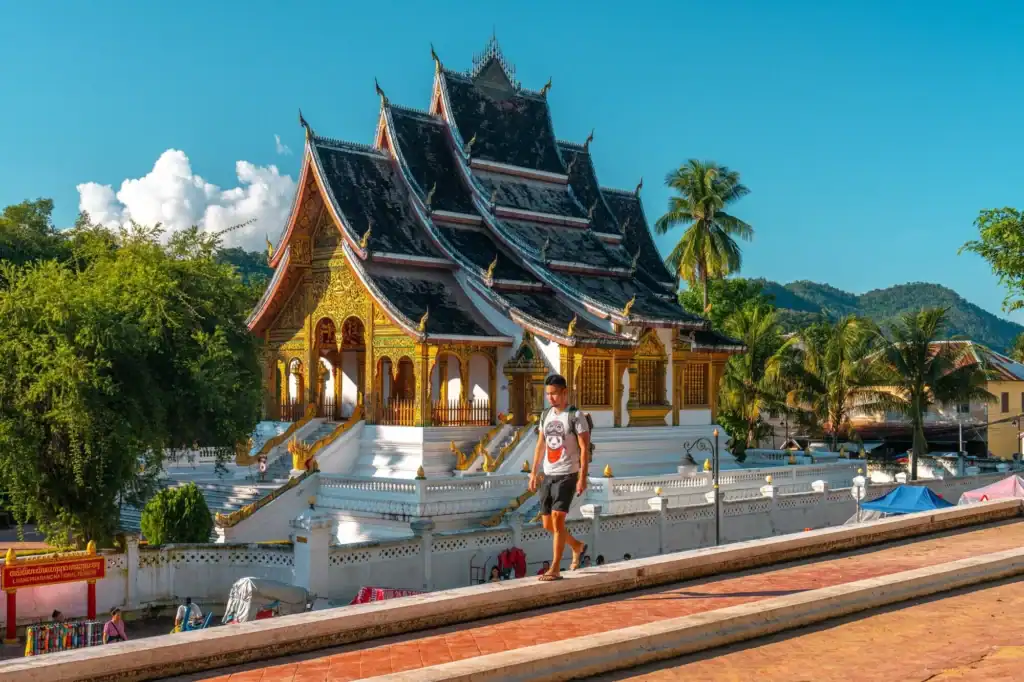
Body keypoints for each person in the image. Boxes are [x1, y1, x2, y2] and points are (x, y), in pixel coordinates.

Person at [529, 374, 589, 581]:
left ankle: (555, 567)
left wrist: (582, 477)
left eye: (554, 393)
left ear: (564, 392)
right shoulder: (545, 415)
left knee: (557, 519)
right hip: (548, 473)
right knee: (548, 524)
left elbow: (584, 449)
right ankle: (576, 545)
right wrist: (533, 472)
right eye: (548, 394)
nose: (551, 397)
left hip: (567, 474)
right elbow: (540, 444)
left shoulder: (575, 416)